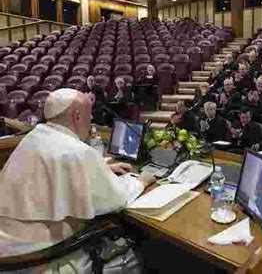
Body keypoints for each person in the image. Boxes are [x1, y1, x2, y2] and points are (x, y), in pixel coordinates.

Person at [0, 89, 156, 270]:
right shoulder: (77, 151)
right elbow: (116, 200)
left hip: (9, 251)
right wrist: (141, 181)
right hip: (43, 258)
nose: (91, 121)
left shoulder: (33, 138)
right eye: (89, 115)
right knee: (138, 252)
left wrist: (97, 170)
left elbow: (47, 178)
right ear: (76, 116)